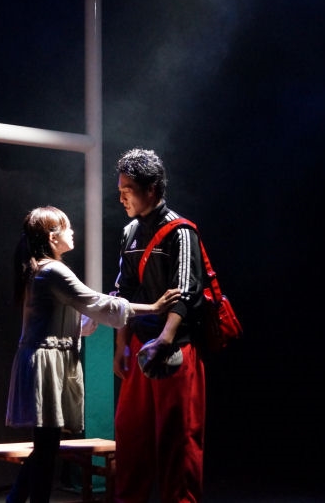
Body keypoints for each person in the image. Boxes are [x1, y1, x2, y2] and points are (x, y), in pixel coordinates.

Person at [5, 205, 181, 503]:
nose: (72, 232)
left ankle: (18, 499)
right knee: (46, 446)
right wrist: (153, 308)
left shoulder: (43, 269)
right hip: (46, 362)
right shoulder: (53, 270)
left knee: (47, 445)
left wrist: (104, 308)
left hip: (47, 358)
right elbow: (94, 302)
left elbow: (80, 320)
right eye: (67, 227)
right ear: (52, 237)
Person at [112, 148, 207, 502]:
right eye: (120, 190)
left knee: (177, 441)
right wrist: (121, 346)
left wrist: (165, 340)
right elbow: (123, 293)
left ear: (151, 189)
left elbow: (186, 293)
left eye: (128, 190)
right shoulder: (129, 233)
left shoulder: (181, 231)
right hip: (139, 346)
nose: (121, 198)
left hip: (173, 349)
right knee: (131, 436)